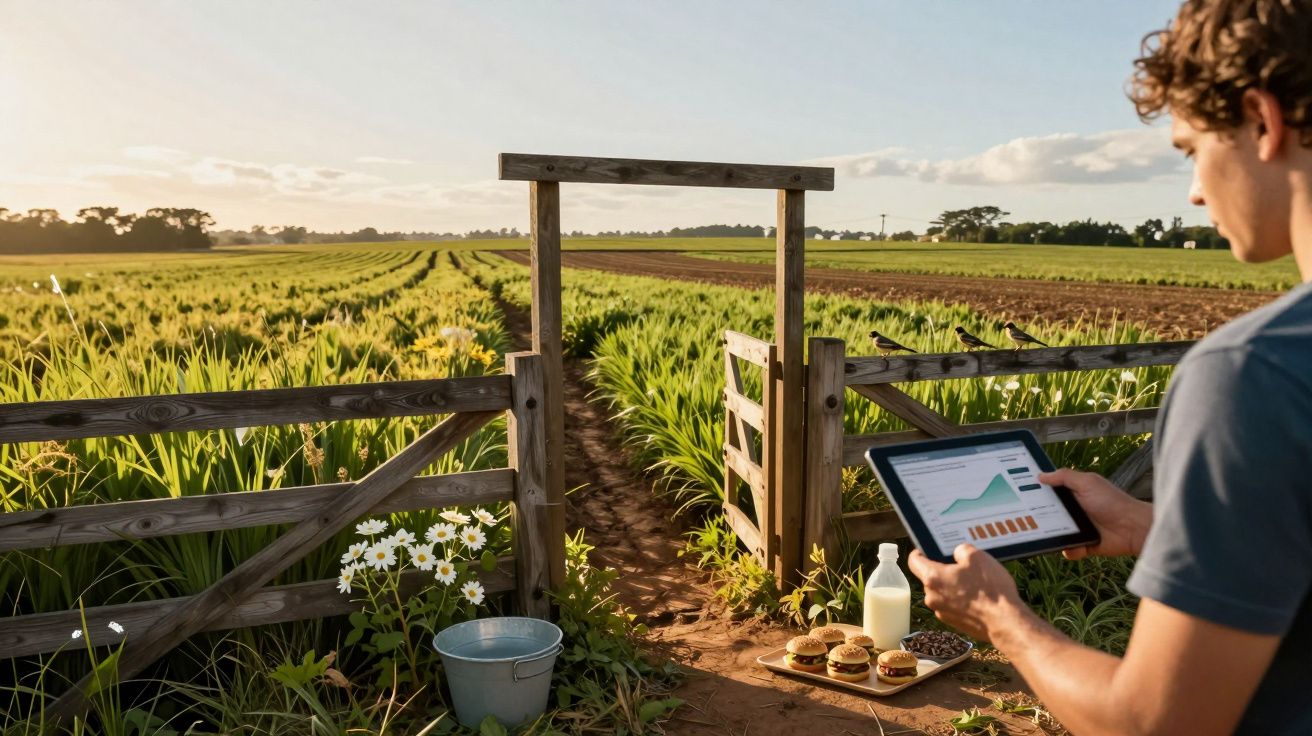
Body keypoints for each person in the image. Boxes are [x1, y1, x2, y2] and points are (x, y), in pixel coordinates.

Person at [907, 1, 1312, 734]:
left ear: (1263, 121)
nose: (1195, 191)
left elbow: (1155, 723)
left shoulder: (1252, 374)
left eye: (1191, 150)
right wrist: (1152, 525)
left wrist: (1000, 617)